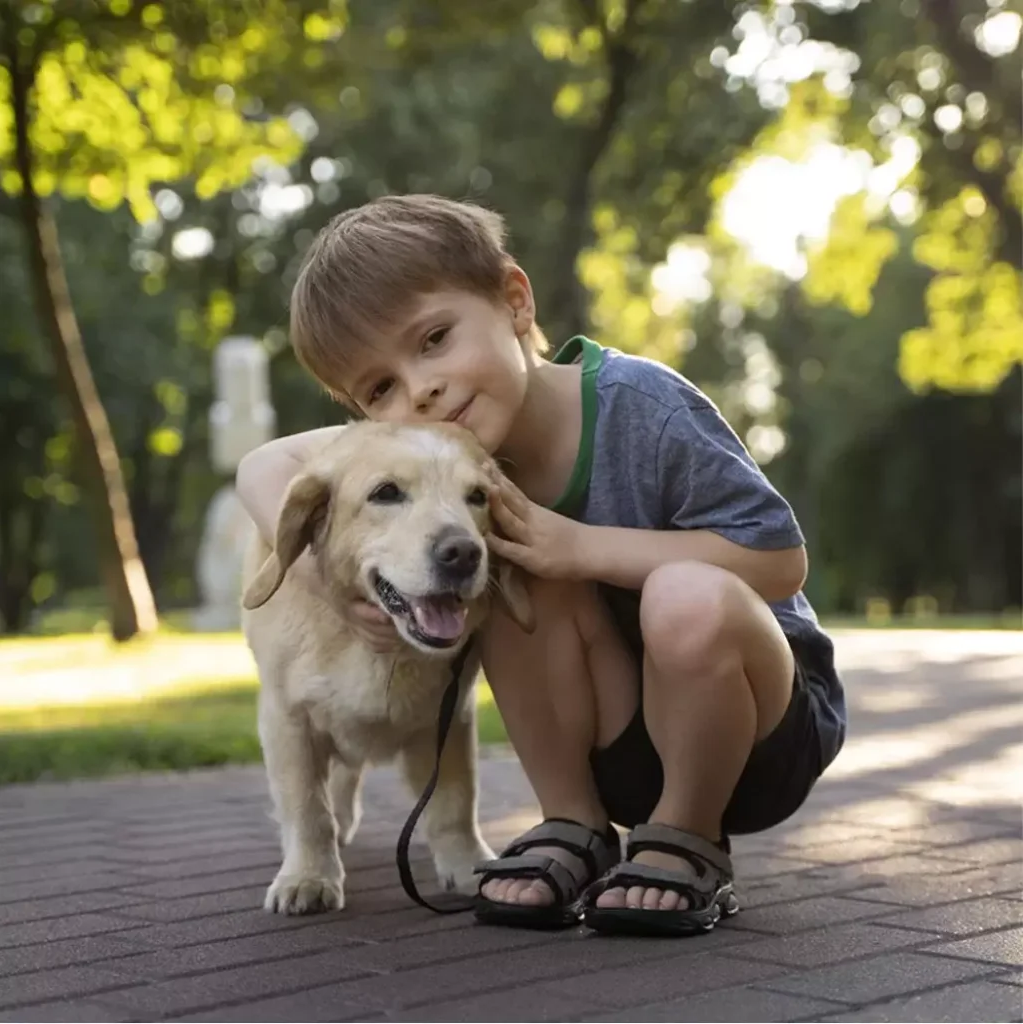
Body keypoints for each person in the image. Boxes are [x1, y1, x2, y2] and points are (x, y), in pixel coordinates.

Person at [236, 193, 846, 937]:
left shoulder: (643, 406)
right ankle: (575, 824)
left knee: (682, 595)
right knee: (497, 567)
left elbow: (781, 560)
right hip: (621, 741)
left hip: (763, 733)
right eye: (380, 389)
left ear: (515, 302)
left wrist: (581, 546)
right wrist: (325, 585)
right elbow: (266, 464)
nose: (418, 388)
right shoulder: (444, 465)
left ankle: (688, 838)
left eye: (433, 339)